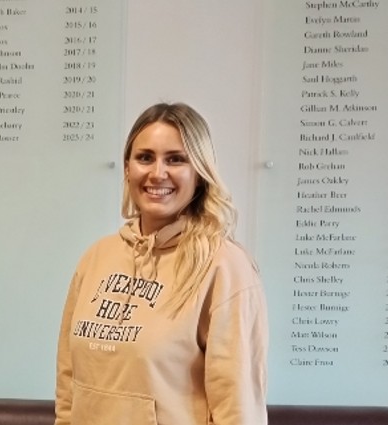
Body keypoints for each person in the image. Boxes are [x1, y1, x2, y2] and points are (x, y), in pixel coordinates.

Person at [54, 102, 268, 425]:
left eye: (176, 159)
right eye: (145, 157)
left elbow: (238, 409)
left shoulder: (225, 268)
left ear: (199, 173)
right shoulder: (96, 258)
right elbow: (69, 388)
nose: (157, 173)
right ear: (127, 168)